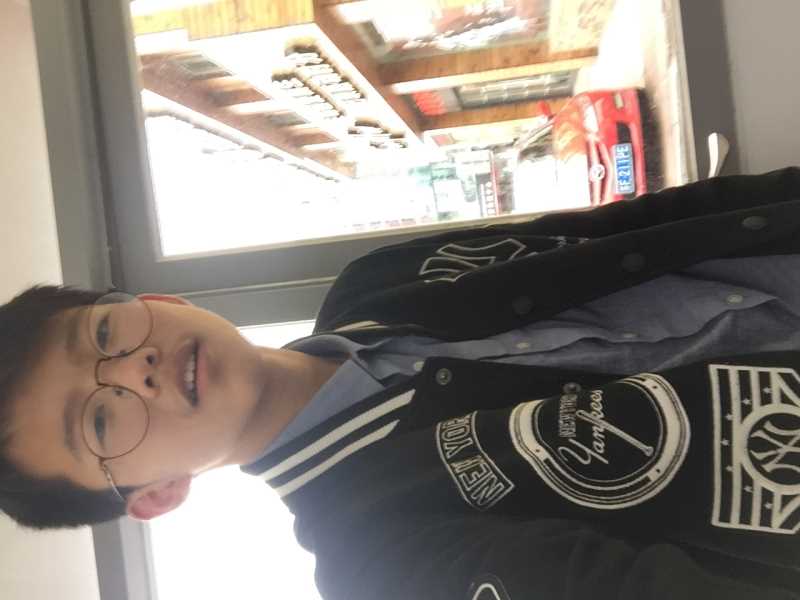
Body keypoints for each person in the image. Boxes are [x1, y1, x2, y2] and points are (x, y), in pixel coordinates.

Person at [3, 167, 800, 599]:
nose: (131, 371)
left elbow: (632, 227)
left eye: (102, 335)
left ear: (157, 301)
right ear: (154, 495)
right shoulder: (379, 564)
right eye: (98, 423)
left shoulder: (376, 281)